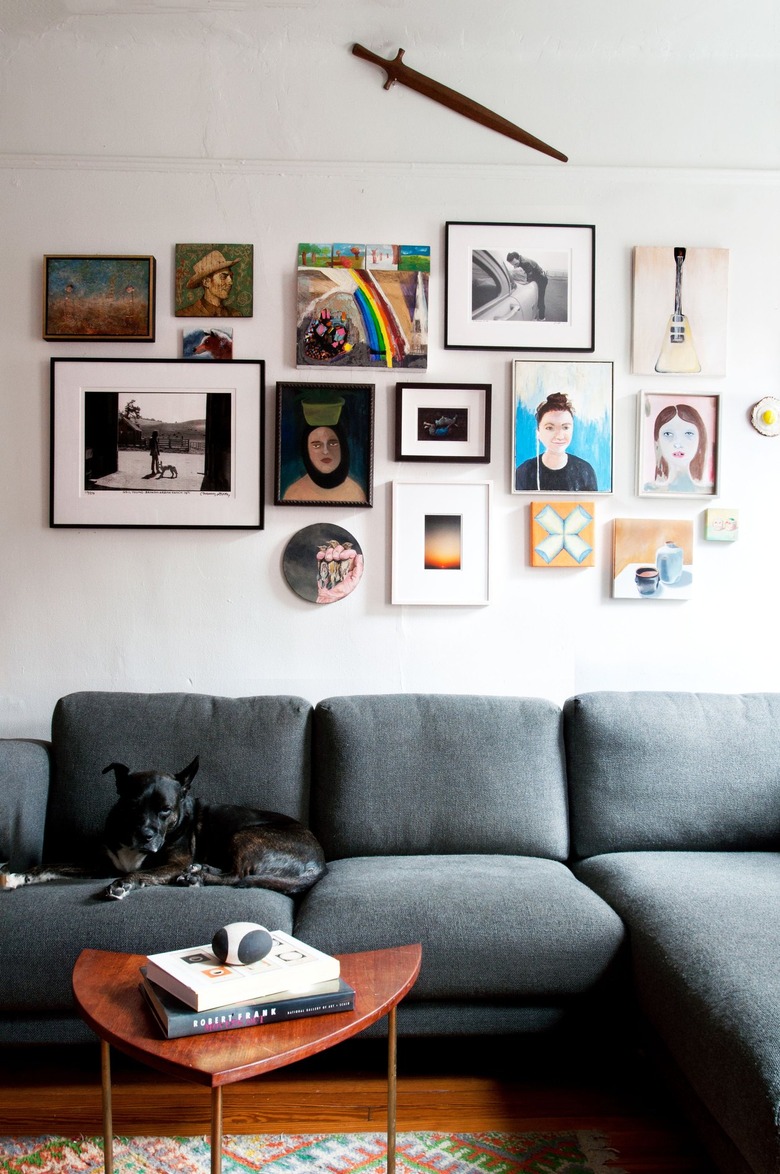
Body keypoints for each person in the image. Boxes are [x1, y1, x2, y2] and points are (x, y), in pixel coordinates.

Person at [282, 397, 367, 503]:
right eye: (317, 446)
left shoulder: (356, 492)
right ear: (306, 451)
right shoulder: (293, 493)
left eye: (333, 443)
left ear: (343, 447)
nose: (326, 451)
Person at [515, 392, 598, 492]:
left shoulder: (585, 471)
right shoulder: (524, 472)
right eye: (550, 428)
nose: (559, 436)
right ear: (538, 432)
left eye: (565, 427)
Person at [645, 403, 709, 493]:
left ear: (700, 439)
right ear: (657, 442)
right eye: (668, 434)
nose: (677, 444)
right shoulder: (648, 489)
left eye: (688, 434)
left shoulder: (707, 490)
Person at [179, 249, 240, 317]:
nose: (230, 282)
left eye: (231, 276)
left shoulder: (235, 314)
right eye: (223, 277)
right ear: (206, 282)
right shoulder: (185, 314)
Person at [506, 251, 548, 320]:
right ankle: (536, 312)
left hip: (541, 279)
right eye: (513, 265)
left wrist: (522, 283)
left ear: (518, 258)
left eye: (516, 264)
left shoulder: (525, 262)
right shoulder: (518, 261)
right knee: (535, 296)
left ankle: (542, 317)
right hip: (536, 277)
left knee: (541, 298)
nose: (515, 266)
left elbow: (529, 277)